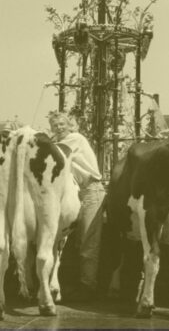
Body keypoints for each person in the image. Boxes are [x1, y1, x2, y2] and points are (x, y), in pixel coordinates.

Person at [48, 111, 106, 300]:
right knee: (76, 241)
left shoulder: (74, 139)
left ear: (69, 126)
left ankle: (88, 287)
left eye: (61, 124)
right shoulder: (64, 143)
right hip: (77, 191)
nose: (58, 128)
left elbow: (52, 152)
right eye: (54, 125)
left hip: (91, 190)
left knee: (88, 241)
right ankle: (78, 283)